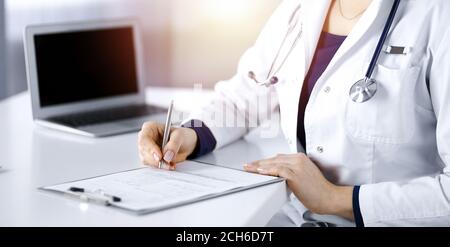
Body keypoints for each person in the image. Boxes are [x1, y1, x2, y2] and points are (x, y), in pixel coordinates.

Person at [138, 0, 450, 226]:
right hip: (296, 215)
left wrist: (335, 199)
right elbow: (244, 95)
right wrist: (189, 135)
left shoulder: (437, 16)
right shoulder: (298, 9)